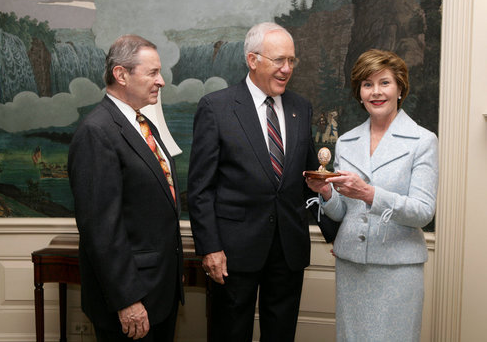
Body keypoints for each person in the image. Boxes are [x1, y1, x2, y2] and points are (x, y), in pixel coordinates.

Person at [187, 22, 336, 342]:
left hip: (288, 249)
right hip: (233, 252)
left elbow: (311, 177)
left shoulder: (300, 107)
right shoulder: (217, 108)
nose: (287, 69)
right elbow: (200, 189)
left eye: (292, 61)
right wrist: (210, 247)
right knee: (230, 333)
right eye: (279, 60)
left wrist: (335, 234)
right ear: (252, 60)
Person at [306, 49, 439, 341]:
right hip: (351, 265)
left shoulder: (423, 141)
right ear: (359, 93)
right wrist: (327, 192)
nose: (376, 92)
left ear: (400, 88)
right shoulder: (347, 142)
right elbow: (343, 213)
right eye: (367, 84)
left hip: (398, 269)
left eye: (384, 83)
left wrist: (369, 194)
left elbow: (423, 211)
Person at [68, 34, 184, 342]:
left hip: (159, 291)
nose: (161, 81)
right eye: (152, 73)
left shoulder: (145, 124)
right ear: (121, 75)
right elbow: (101, 228)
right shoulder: (97, 131)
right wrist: (128, 300)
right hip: (132, 298)